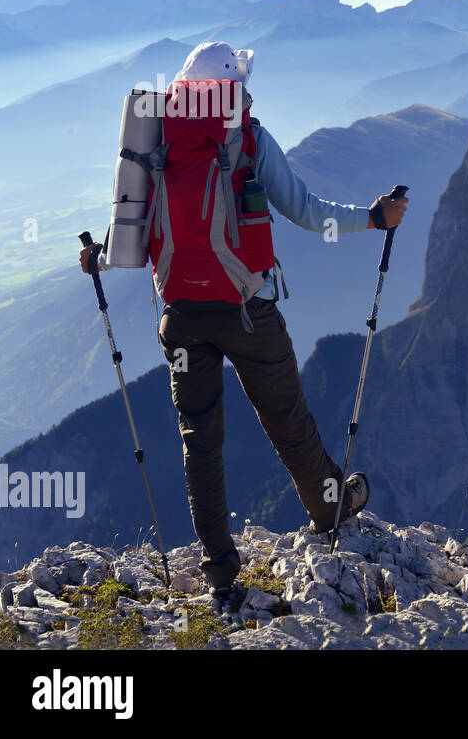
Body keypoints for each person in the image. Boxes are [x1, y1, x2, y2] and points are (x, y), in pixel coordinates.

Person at [79, 42, 408, 601]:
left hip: (181, 317)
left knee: (200, 442)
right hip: (247, 309)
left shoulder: (156, 141)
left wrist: (99, 258)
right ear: (232, 87)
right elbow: (305, 209)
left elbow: (133, 225)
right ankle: (330, 504)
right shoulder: (249, 138)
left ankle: (219, 569)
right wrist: (374, 218)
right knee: (287, 420)